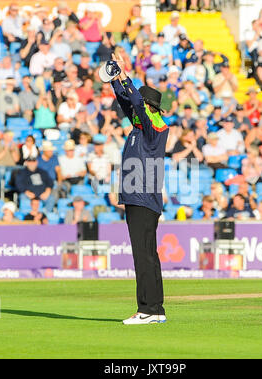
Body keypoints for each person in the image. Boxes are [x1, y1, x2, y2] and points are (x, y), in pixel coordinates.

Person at [109, 53, 168, 324]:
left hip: (143, 197)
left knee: (143, 255)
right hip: (139, 197)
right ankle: (155, 310)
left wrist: (125, 77)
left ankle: (146, 310)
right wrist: (115, 79)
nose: (133, 111)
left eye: (140, 106)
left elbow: (135, 104)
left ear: (148, 107)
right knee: (148, 254)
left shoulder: (153, 127)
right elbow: (126, 101)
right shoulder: (139, 127)